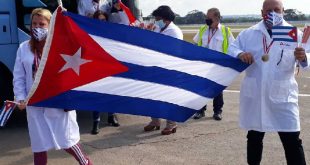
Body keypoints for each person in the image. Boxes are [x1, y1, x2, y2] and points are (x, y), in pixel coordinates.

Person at [228, 0, 309, 164]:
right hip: (256, 96)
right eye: (268, 10)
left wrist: (304, 58)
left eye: (276, 10)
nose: (272, 13)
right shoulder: (249, 34)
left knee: (292, 140)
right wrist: (240, 54)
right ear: (261, 12)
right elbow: (232, 48)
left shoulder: (294, 34)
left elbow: (307, 59)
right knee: (254, 139)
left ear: (283, 11)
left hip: (283, 97)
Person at [13, 8, 92, 165]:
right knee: (39, 145)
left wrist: (66, 21)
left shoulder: (61, 45)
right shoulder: (23, 48)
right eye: (34, 23)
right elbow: (19, 76)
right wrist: (20, 98)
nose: (37, 27)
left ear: (50, 25)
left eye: (42, 24)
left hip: (57, 101)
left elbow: (81, 47)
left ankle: (86, 163)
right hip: (34, 102)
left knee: (68, 142)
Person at [143, 5, 183, 135]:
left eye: (158, 18)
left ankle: (171, 124)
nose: (156, 20)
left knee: (168, 97)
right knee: (152, 95)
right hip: (156, 67)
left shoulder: (174, 31)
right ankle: (155, 121)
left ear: (165, 18)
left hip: (169, 69)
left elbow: (174, 51)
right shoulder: (159, 28)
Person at [192, 8, 234, 121]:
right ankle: (200, 111)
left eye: (209, 18)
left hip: (219, 66)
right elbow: (195, 44)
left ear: (217, 18)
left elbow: (233, 48)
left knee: (217, 90)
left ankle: (217, 111)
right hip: (203, 65)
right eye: (206, 17)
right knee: (201, 89)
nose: (207, 20)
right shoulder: (202, 30)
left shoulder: (226, 31)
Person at [90, 10, 121, 135]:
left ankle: (111, 116)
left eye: (103, 20)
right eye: (98, 20)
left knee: (111, 92)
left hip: (109, 66)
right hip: (95, 67)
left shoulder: (110, 33)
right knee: (97, 95)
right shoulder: (89, 33)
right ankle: (96, 121)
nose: (101, 22)